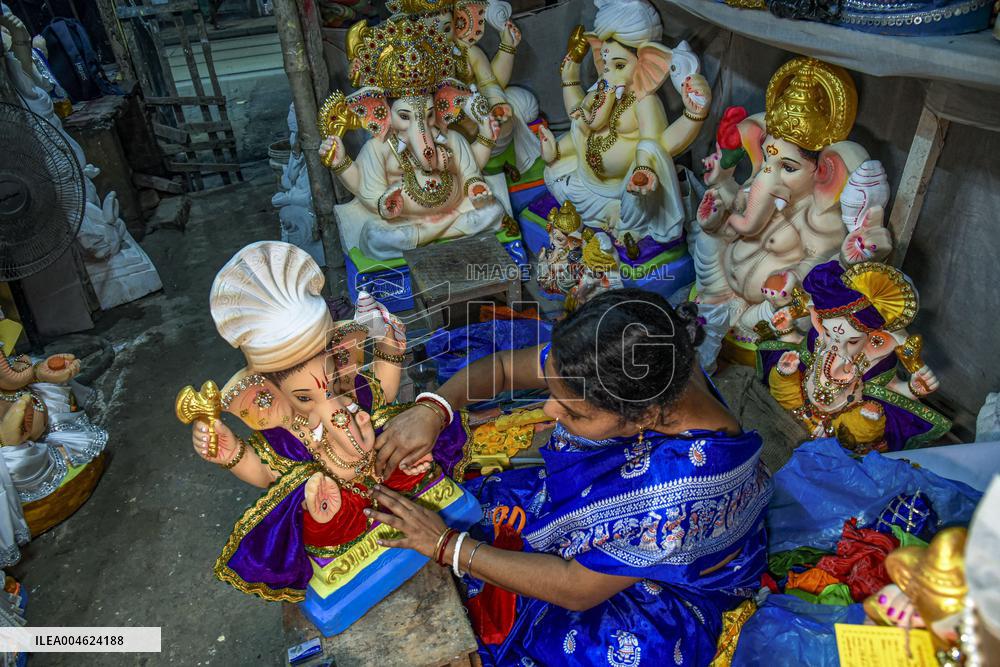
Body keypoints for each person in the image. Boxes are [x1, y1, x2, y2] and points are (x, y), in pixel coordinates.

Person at [367, 289, 773, 665]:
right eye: (555, 393)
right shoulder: (641, 362)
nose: (547, 412)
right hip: (629, 526)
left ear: (643, 419)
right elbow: (507, 369)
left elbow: (574, 589)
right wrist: (436, 408)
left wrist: (448, 547)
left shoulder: (673, 496)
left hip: (663, 589)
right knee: (478, 513)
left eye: (572, 413)